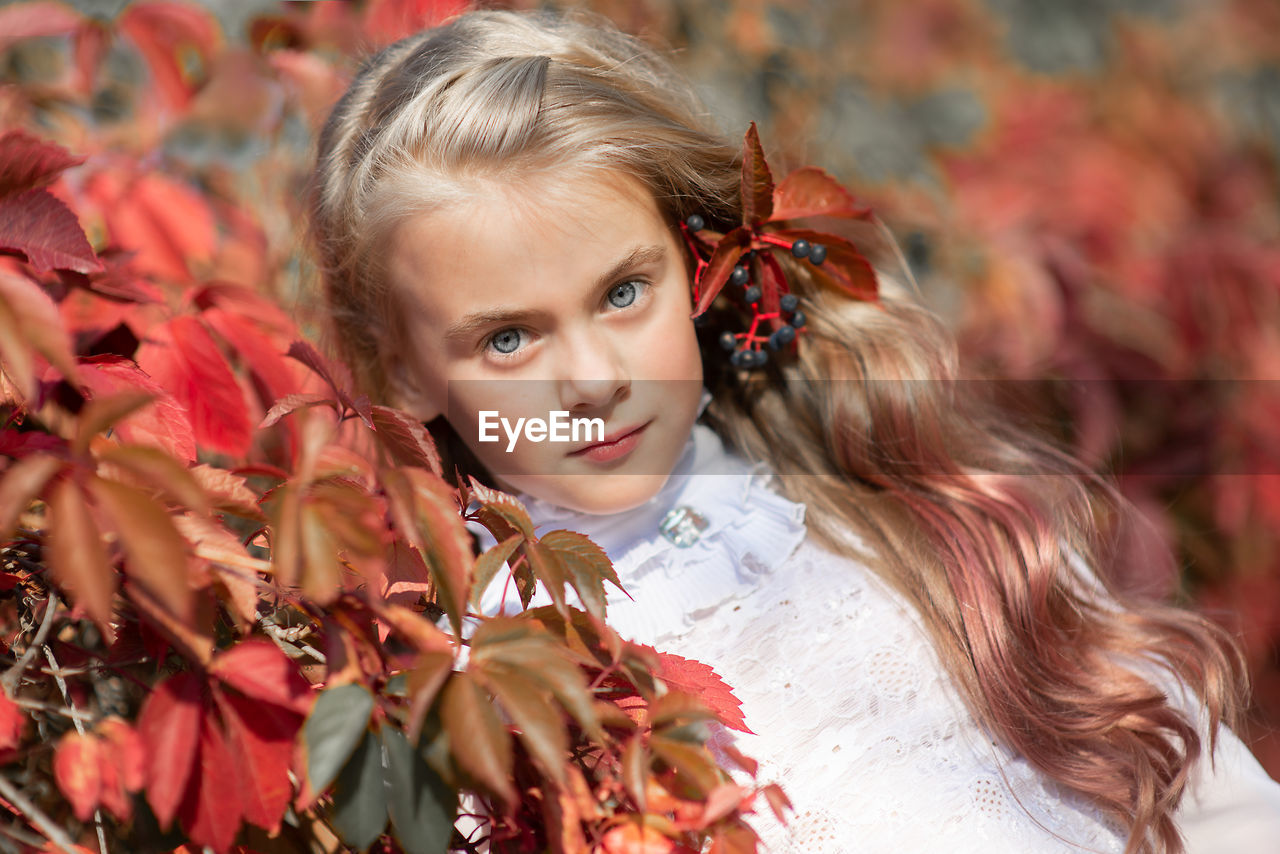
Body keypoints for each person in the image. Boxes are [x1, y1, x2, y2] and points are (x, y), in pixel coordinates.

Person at [304, 8, 1280, 852]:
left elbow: (1216, 803)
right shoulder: (475, 693)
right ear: (402, 368)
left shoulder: (909, 512)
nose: (596, 377)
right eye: (507, 337)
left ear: (698, 262)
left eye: (622, 292)